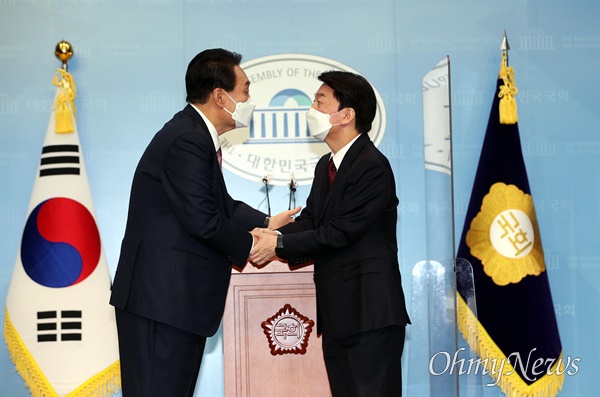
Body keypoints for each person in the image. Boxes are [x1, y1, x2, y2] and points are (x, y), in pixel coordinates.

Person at [109, 48, 300, 396]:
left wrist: (269, 222)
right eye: (245, 90)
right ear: (219, 96)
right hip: (162, 301)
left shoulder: (194, 135)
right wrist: (252, 245)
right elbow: (204, 220)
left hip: (173, 302)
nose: (248, 100)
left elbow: (220, 205)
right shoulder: (188, 139)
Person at [250, 71, 410, 396]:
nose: (312, 108)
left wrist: (278, 244)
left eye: (320, 101)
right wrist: (264, 233)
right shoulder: (327, 165)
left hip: (369, 314)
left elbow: (340, 232)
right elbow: (312, 222)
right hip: (339, 317)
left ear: (346, 115)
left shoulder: (372, 167)